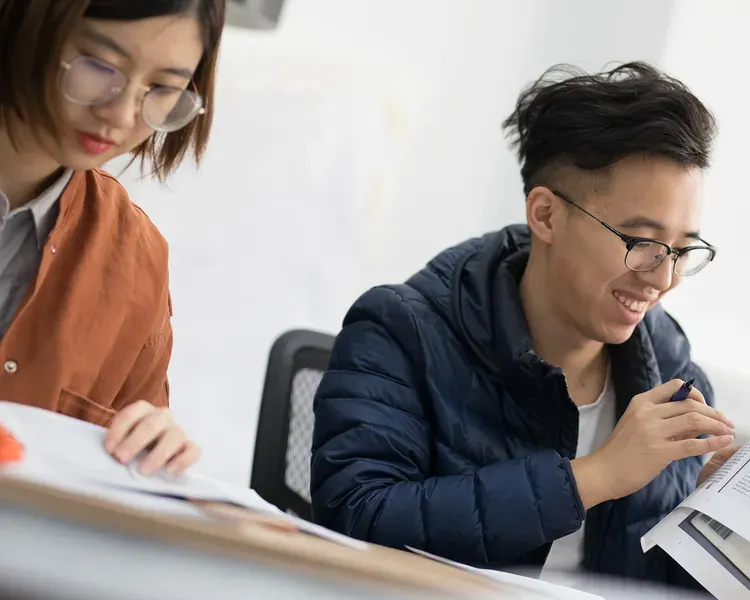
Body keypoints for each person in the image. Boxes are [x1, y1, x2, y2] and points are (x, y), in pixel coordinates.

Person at [310, 62, 739, 588]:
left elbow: (640, 582)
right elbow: (356, 517)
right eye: (641, 241)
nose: (664, 277)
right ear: (546, 215)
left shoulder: (672, 374)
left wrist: (714, 529)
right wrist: (595, 477)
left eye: (681, 249)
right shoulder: (400, 332)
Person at [0, 0, 225, 475]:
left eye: (163, 88)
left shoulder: (136, 258)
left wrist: (153, 446)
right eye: (99, 66)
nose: (122, 115)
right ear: (24, 25)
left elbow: (124, 451)